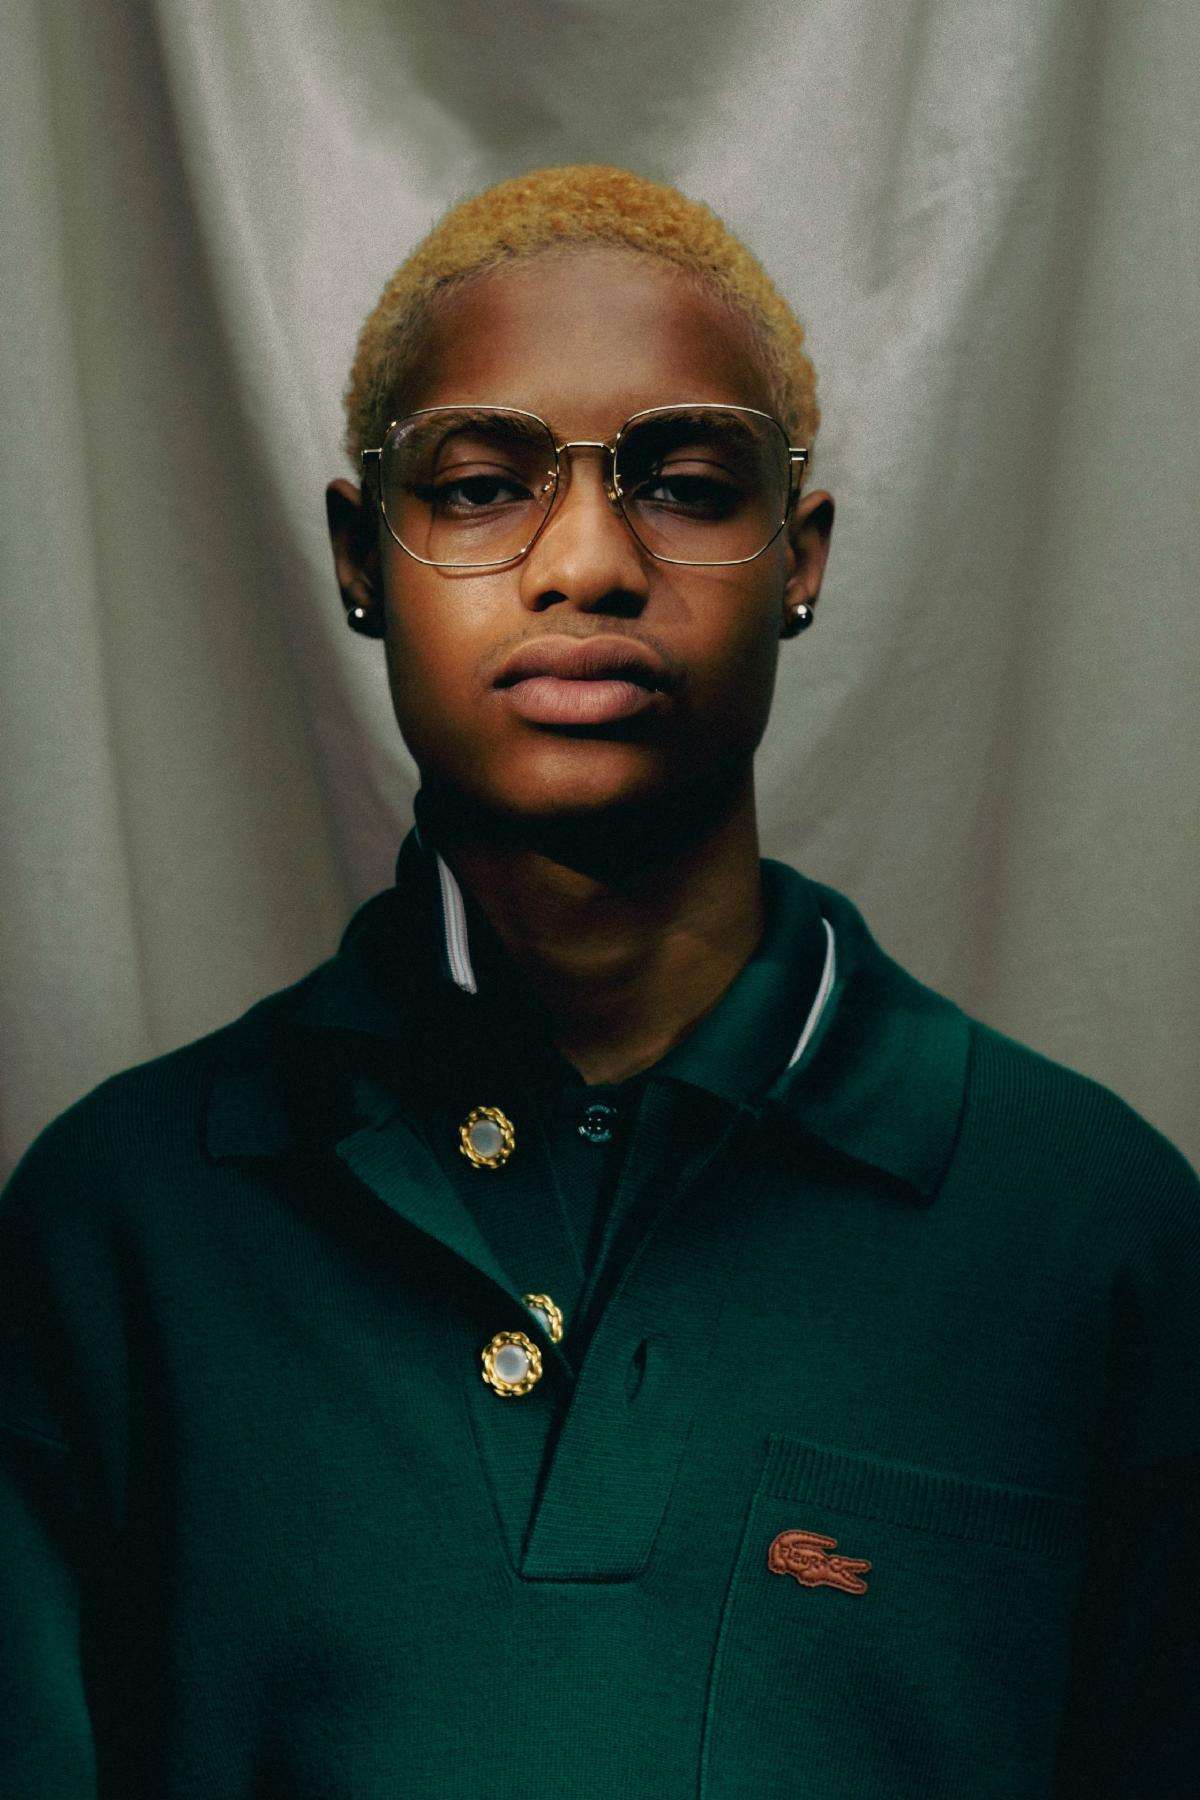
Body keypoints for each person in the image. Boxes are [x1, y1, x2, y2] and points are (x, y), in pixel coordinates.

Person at [1, 164, 1196, 1799]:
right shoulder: (114, 1228)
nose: (585, 561)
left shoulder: (1096, 1232)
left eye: (687, 485)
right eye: (480, 486)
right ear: (361, 556)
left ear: (798, 557)